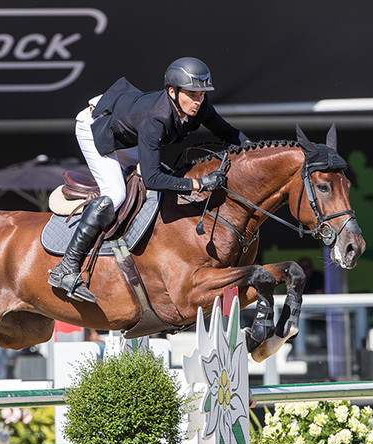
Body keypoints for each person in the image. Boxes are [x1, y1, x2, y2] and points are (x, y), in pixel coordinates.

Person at [49, 57, 250, 302]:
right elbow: (154, 178)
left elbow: (228, 133)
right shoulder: (156, 120)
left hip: (125, 127)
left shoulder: (198, 106)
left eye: (201, 94)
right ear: (172, 92)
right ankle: (66, 268)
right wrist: (198, 184)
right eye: (192, 94)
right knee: (116, 194)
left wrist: (254, 153)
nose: (198, 101)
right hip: (96, 126)